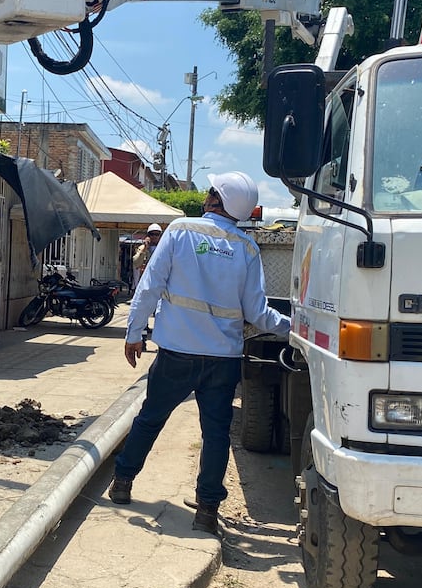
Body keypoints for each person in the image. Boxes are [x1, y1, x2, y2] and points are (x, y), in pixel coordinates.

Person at [108, 172, 291, 535]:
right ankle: (207, 510)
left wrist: (134, 333)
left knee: (150, 419)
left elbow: (150, 286)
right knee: (216, 434)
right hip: (222, 359)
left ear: (215, 200)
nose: (206, 195)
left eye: (211, 191)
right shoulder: (248, 249)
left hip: (177, 352)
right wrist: (296, 329)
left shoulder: (179, 230)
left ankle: (123, 482)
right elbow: (258, 314)